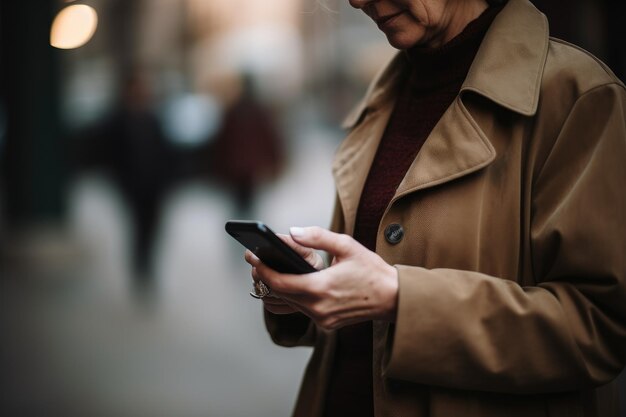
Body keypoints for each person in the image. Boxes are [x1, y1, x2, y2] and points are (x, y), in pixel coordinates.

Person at [244, 0, 626, 416]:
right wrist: (308, 289)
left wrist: (401, 299)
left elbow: (599, 327)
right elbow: (363, 313)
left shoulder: (578, 96)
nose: (356, 1)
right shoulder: (382, 100)